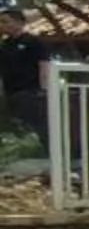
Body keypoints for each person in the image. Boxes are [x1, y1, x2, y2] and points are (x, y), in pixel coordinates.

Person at [0, 8, 47, 146]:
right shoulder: (5, 45)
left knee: (36, 126)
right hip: (11, 93)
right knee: (19, 127)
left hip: (30, 92)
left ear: (19, 22)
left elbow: (44, 66)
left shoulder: (33, 42)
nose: (2, 25)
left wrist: (44, 90)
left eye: (5, 21)